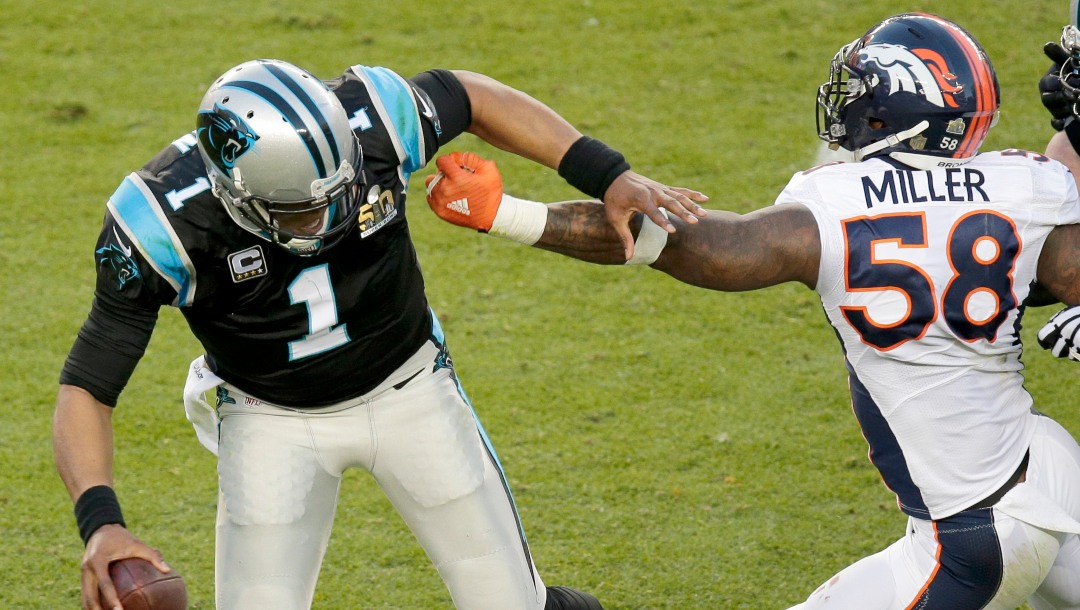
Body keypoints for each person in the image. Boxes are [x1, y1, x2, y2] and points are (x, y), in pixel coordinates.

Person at [426, 13, 1080, 610]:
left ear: (893, 115)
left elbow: (697, 246)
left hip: (969, 532)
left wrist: (505, 213)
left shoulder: (839, 205)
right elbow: (1061, 270)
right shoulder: (1027, 187)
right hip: (1044, 471)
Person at [52, 58, 708, 610]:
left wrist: (605, 172)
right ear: (234, 195)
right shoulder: (160, 224)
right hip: (268, 417)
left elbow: (473, 96)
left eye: (341, 190)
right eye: (305, 209)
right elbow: (88, 386)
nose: (334, 215)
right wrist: (100, 523)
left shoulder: (374, 118)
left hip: (410, 387)